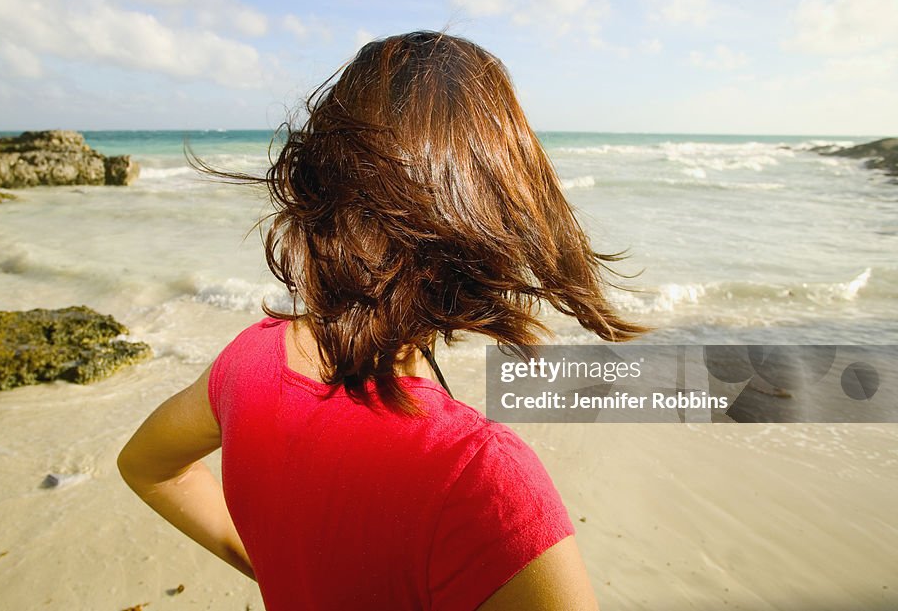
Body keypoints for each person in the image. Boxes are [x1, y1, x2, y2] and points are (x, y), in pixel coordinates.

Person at [118, 31, 645, 610]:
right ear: (486, 204)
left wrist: (276, 571)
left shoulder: (246, 364)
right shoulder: (480, 480)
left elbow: (146, 467)